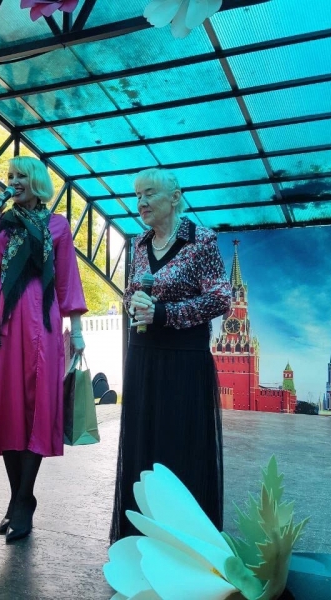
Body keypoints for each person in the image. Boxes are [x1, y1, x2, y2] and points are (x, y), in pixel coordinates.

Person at [0, 156, 87, 543]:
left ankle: (23, 500)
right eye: (10, 176)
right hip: (0, 320)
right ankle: (18, 498)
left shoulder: (58, 225)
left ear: (36, 182)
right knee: (5, 404)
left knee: (36, 405)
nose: (13, 181)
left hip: (41, 319)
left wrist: (78, 330)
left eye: (20, 175)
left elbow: (67, 278)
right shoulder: (3, 221)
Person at [110, 168, 230, 544]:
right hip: (143, 356)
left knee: (180, 447)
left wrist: (163, 313)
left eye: (149, 194)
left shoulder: (201, 240)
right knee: (143, 444)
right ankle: (140, 536)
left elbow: (220, 298)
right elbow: (130, 294)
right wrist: (134, 303)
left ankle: (184, 543)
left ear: (175, 198)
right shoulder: (139, 244)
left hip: (184, 360)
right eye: (137, 196)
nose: (141, 202)